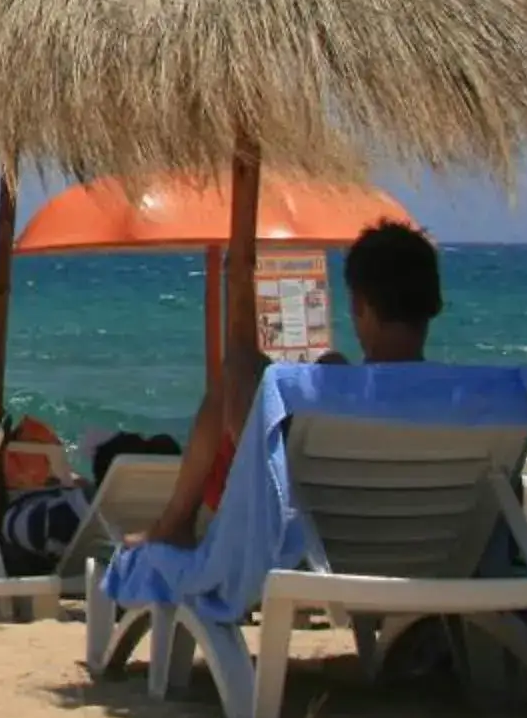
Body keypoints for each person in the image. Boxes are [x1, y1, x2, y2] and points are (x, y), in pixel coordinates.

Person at [141, 220, 442, 549]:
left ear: (358, 306)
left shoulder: (334, 390)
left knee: (240, 369)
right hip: (440, 562)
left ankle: (175, 522)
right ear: (435, 304)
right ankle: (175, 523)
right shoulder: (478, 402)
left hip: (325, 561)